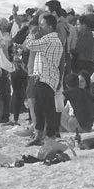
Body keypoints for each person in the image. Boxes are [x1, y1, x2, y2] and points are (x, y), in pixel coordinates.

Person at [24, 14, 64, 145]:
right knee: (41, 108)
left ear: (50, 27)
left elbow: (30, 45)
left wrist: (31, 33)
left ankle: (48, 135)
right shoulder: (56, 40)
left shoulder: (48, 40)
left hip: (44, 77)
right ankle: (41, 135)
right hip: (48, 77)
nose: (40, 27)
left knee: (45, 108)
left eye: (42, 25)